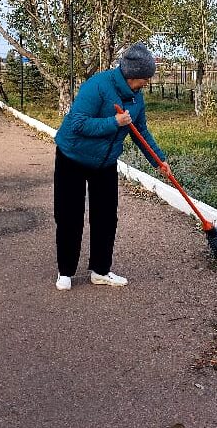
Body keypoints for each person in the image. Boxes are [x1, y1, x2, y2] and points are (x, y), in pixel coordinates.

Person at [52, 42, 170, 291]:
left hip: (104, 162)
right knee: (69, 215)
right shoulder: (97, 86)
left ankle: (101, 271)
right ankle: (65, 271)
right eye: (146, 77)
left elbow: (140, 132)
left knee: (106, 217)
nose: (147, 82)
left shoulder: (136, 97)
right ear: (133, 75)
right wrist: (114, 122)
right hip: (72, 156)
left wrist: (159, 160)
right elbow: (77, 123)